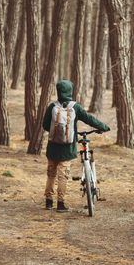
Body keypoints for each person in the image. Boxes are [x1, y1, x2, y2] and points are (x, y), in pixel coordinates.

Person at [42, 80, 110, 212]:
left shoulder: (52, 107)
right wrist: (103, 127)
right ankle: (60, 204)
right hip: (67, 149)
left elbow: (45, 125)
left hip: (52, 148)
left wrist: (56, 130)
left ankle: (48, 202)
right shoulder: (75, 107)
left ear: (58, 91)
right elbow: (89, 119)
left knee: (51, 174)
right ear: (70, 91)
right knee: (63, 176)